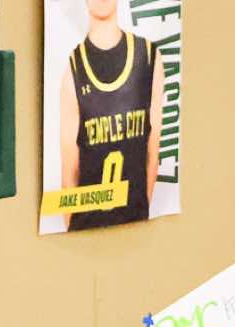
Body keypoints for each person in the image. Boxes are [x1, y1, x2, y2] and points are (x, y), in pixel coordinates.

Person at [56, 0, 167, 231]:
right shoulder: (74, 68)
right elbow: (68, 175)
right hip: (86, 226)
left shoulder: (148, 56)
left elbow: (152, 155)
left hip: (135, 223)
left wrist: (141, 214)